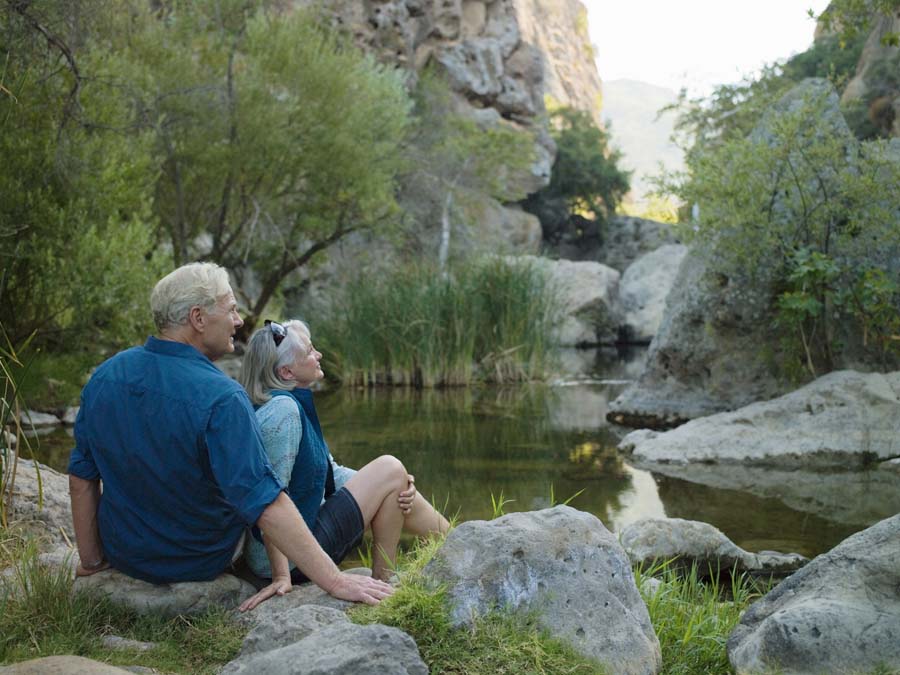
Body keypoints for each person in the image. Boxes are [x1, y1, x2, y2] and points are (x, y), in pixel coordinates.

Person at [67, 262, 392, 606]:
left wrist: (92, 562)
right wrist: (336, 581)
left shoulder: (106, 376)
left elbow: (81, 479)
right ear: (198, 318)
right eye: (232, 309)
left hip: (127, 556)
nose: (238, 320)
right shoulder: (223, 396)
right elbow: (265, 502)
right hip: (198, 559)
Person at [236, 319, 449, 610]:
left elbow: (330, 474)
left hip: (301, 536)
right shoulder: (282, 413)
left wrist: (388, 484)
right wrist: (281, 575)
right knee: (390, 468)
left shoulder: (287, 402)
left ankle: (455, 541)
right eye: (310, 351)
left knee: (395, 480)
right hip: (296, 554)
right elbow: (270, 498)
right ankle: (385, 588)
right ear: (287, 371)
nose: (319, 355)